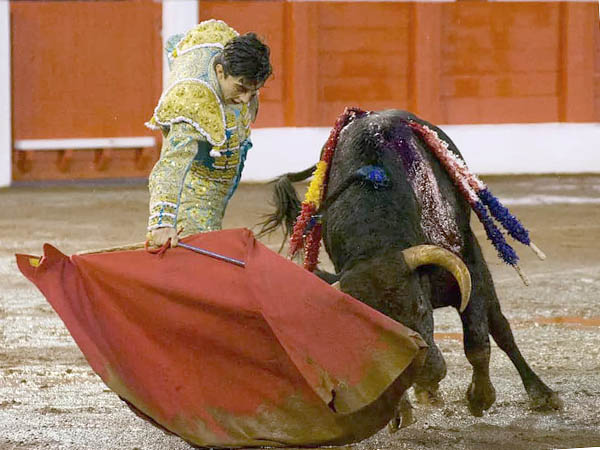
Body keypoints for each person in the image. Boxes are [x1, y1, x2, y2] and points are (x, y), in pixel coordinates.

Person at [145, 20, 272, 247]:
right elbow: (170, 165)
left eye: (253, 93)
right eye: (241, 88)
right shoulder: (192, 101)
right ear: (220, 71)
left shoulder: (222, 42)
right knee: (197, 253)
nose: (245, 99)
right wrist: (162, 222)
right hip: (195, 189)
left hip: (221, 180)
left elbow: (177, 44)